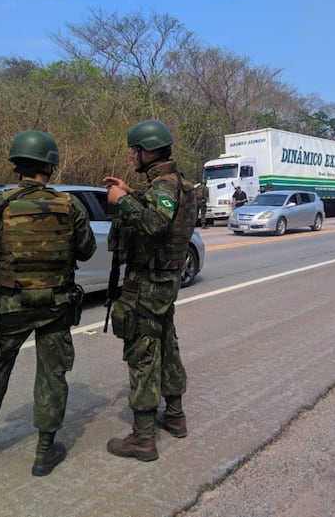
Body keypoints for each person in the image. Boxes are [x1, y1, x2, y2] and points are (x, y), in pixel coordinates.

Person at [0, 129, 97, 476]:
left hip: (11, 303)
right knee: (52, 375)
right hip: (56, 305)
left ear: (17, 165)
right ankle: (44, 452)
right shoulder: (71, 205)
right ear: (49, 166)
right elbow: (87, 249)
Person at [101, 119, 196, 462]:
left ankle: (143, 438)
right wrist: (129, 193)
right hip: (165, 283)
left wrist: (121, 203)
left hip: (148, 284)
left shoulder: (164, 187)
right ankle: (174, 416)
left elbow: (155, 224)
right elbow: (160, 214)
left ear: (149, 151)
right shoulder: (180, 184)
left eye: (135, 149)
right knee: (167, 345)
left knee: (142, 353)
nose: (131, 155)